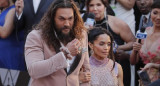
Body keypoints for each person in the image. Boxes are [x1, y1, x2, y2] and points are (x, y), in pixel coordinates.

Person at [25, 0, 90, 86]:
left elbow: (86, 69)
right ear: (52, 19)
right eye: (61, 19)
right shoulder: (36, 37)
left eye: (70, 18)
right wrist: (65, 54)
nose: (67, 24)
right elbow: (34, 70)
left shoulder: (81, 34)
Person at [86, 0, 135, 86]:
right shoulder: (84, 25)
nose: (95, 8)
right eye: (91, 5)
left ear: (105, 6)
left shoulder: (116, 22)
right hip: (92, 66)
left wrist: (118, 48)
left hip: (116, 65)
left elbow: (133, 42)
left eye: (98, 5)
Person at [130, 0, 160, 85]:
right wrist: (135, 50)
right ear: (150, 13)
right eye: (155, 13)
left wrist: (153, 65)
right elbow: (133, 62)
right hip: (144, 81)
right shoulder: (143, 32)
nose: (158, 17)